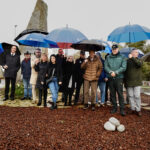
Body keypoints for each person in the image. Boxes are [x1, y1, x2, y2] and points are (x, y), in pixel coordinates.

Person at [104, 44, 127, 116]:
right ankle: (114, 108)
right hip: (110, 78)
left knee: (120, 94)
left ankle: (122, 109)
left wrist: (116, 72)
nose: (114, 50)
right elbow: (105, 66)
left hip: (119, 78)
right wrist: (110, 72)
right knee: (112, 94)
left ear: (118, 49)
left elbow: (124, 67)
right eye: (113, 49)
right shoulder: (108, 57)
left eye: (115, 49)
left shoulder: (122, 57)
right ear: (112, 50)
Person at [124, 48, 143, 116]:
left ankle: (138, 110)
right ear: (131, 53)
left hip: (137, 82)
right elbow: (125, 71)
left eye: (137, 52)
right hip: (129, 82)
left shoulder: (139, 60)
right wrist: (125, 82)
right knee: (130, 96)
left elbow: (139, 65)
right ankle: (132, 109)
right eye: (135, 52)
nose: (136, 53)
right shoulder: (127, 61)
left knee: (137, 96)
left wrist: (132, 58)